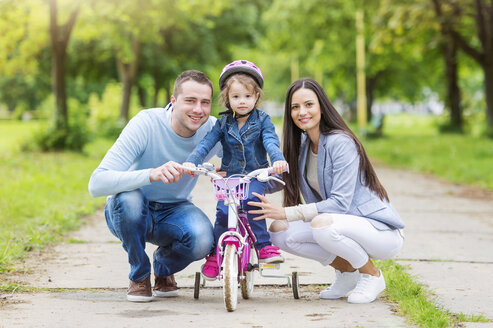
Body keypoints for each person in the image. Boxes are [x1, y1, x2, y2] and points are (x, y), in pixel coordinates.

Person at [248, 78, 405, 304]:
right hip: (340, 225)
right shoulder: (301, 145)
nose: (302, 112)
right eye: (295, 107)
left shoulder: (340, 143)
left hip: (378, 231)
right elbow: (277, 180)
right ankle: (347, 272)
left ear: (322, 105)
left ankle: (372, 275)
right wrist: (239, 175)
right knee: (279, 231)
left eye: (309, 104)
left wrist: (287, 212)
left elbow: (340, 203)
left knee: (320, 224)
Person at [88, 70, 221, 302]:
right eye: (190, 101)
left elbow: (245, 160)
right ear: (173, 101)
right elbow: (97, 184)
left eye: (205, 102)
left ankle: (163, 268)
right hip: (130, 210)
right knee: (128, 199)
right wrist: (151, 174)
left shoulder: (212, 128)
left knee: (203, 239)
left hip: (175, 210)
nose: (198, 109)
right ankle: (139, 274)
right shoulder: (146, 123)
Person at [183, 60, 288, 280]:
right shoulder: (223, 124)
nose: (242, 101)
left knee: (251, 202)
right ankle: (215, 254)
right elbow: (207, 143)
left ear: (256, 97)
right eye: (236, 96)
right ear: (227, 98)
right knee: (223, 211)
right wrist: (192, 161)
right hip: (230, 177)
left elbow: (271, 142)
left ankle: (263, 247)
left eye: (248, 96)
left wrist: (277, 160)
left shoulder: (263, 120)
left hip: (256, 175)